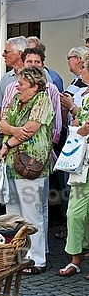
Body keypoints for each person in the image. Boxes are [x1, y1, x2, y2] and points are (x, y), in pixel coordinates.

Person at [0, 67, 54, 275]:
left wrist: (7, 144)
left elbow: (30, 129)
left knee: (32, 213)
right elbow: (3, 123)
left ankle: (37, 259)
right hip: (13, 165)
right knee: (12, 211)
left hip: (31, 165)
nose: (18, 87)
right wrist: (13, 131)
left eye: (22, 84)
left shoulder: (42, 100)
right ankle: (17, 256)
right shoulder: (16, 98)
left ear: (34, 85)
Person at [58, 54, 89, 279]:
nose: (81, 72)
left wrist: (81, 123)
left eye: (84, 67)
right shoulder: (84, 95)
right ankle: (75, 258)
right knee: (74, 213)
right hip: (82, 163)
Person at [1, 47, 62, 146]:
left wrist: (51, 144)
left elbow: (57, 121)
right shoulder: (11, 88)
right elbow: (3, 118)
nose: (33, 65)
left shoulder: (51, 89)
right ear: (23, 64)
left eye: (37, 62)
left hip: (39, 146)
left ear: (43, 65)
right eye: (29, 61)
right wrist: (13, 132)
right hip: (11, 145)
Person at [0, 36, 27, 123]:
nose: (3, 54)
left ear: (19, 54)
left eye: (6, 51)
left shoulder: (38, 76)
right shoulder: (5, 78)